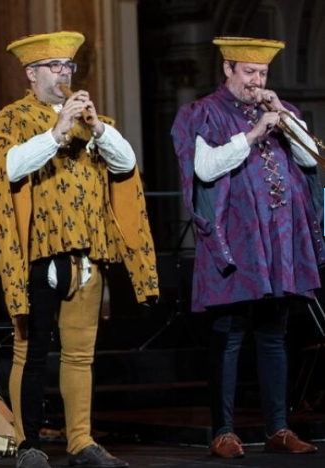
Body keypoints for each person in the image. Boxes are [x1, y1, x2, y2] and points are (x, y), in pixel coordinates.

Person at [0, 32, 159, 468]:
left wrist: (96, 128)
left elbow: (126, 165)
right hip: (38, 254)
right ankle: (28, 444)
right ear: (32, 73)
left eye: (68, 67)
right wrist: (56, 132)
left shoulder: (92, 124)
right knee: (31, 351)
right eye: (55, 66)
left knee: (80, 354)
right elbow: (7, 170)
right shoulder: (9, 121)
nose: (63, 74)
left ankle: (81, 440)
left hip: (87, 255)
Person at [171, 37, 321, 458]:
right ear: (228, 70)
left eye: (263, 75)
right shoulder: (204, 112)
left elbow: (311, 161)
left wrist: (284, 121)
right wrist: (253, 134)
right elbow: (204, 167)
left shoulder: (282, 113)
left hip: (277, 242)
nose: (256, 82)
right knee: (229, 334)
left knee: (274, 334)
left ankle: (278, 427)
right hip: (233, 240)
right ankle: (223, 431)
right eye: (249, 73)